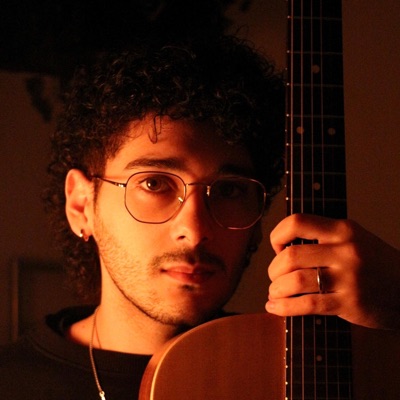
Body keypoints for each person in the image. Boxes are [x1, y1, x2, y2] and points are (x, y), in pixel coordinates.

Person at [0, 34, 399, 399]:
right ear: (81, 205)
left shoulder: (328, 372)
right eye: (155, 183)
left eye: (229, 190)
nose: (194, 230)